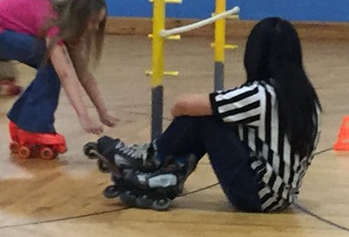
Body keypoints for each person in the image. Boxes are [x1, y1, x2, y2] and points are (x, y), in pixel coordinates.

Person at [89, 17, 321, 212]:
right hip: (281, 196)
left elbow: (182, 105)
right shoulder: (307, 99)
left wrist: (180, 128)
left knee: (208, 118)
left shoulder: (261, 94)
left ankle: (152, 157)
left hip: (256, 195)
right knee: (217, 114)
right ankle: (170, 172)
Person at [0, 0, 118, 157]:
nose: (95, 28)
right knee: (52, 62)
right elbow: (65, 74)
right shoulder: (52, 21)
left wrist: (102, 112)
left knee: (52, 64)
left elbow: (84, 74)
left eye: (99, 23)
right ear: (79, 17)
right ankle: (34, 126)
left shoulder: (66, 28)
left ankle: (22, 119)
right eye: (93, 22)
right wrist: (83, 116)